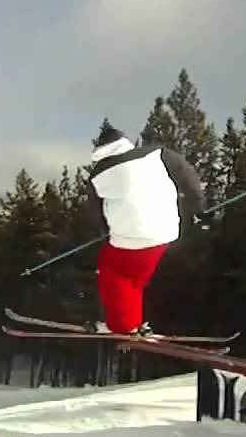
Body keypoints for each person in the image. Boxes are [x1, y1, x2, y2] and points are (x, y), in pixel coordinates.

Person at [84, 121, 207, 335]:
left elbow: (94, 214)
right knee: (135, 279)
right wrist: (198, 206)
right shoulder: (157, 154)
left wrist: (103, 234)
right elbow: (186, 173)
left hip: (129, 238)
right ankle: (133, 321)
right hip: (165, 232)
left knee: (112, 272)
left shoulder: (98, 175)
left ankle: (122, 325)